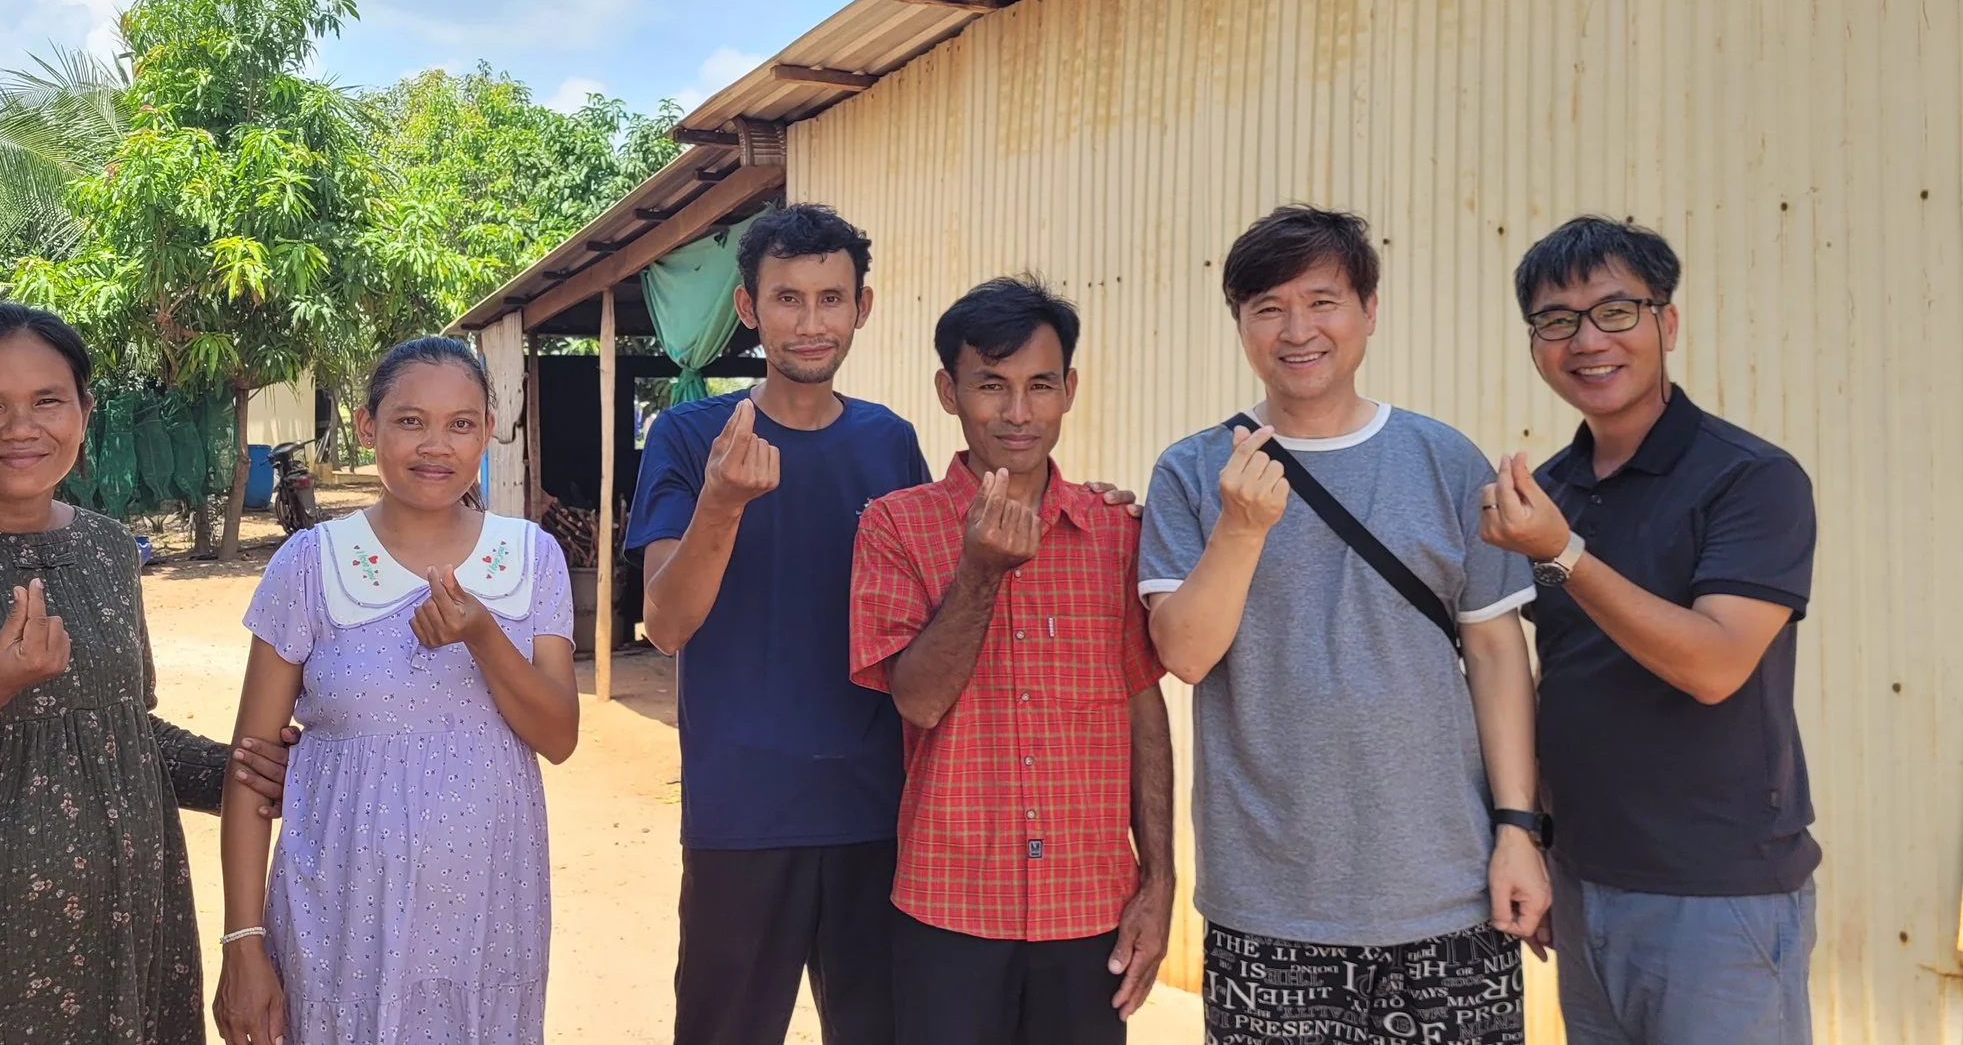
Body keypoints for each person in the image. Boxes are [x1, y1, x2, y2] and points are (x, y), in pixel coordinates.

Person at [0, 302, 294, 1043]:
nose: (22, 429)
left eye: (47, 402)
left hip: (118, 939)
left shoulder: (107, 549)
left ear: (84, 411)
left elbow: (122, 734)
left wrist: (251, 772)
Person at [1140, 205, 1549, 1045]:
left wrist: (1518, 830)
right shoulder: (1192, 471)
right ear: (1241, 324)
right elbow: (1183, 653)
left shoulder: (1442, 460)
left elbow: (1497, 653)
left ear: (1368, 310)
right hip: (1270, 901)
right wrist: (1243, 529)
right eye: (1269, 308)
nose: (1299, 330)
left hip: (1449, 890)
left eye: (1323, 301)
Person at [1483, 216, 1820, 1044]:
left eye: (1615, 311)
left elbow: (1714, 665)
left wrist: (1561, 552)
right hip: (1585, 879)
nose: (1587, 340)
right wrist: (1537, 842)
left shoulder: (1750, 478)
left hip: (1716, 894)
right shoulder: (1552, 488)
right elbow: (1550, 677)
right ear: (1535, 344)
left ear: (1666, 323)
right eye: (1556, 320)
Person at [215, 335, 579, 1045]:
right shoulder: (311, 565)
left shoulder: (531, 558)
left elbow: (558, 736)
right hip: (340, 919)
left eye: (461, 423)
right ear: (366, 426)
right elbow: (250, 766)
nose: (435, 445)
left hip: (487, 917)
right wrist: (242, 942)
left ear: (488, 430)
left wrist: (482, 635)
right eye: (410, 420)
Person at [627, 204, 932, 1045]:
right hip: (744, 810)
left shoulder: (891, 442)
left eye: (830, 298)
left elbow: (936, 607)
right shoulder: (692, 438)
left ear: (861, 308)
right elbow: (665, 622)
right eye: (788, 298)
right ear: (748, 309)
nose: (810, 321)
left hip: (875, 808)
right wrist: (722, 503)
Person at [849, 277, 1174, 1045]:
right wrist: (981, 571)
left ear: (1070, 390)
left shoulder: (1118, 532)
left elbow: (1143, 713)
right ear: (948, 391)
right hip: (949, 902)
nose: (1018, 412)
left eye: (1040, 386)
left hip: (1090, 905)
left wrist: (1158, 880)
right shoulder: (895, 527)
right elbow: (918, 701)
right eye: (991, 385)